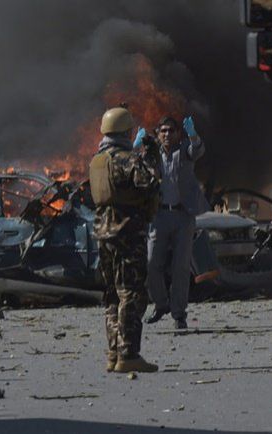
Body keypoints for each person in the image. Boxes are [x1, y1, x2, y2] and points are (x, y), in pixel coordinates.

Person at [88, 106, 161, 373]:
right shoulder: (127, 159)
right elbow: (151, 185)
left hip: (102, 233)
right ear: (125, 132)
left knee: (111, 295)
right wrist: (151, 157)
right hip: (128, 232)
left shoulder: (96, 161)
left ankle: (113, 353)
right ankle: (129, 354)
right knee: (131, 292)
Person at [143, 116, 209, 329]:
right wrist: (137, 148)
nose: (167, 134)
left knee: (181, 267)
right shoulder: (152, 155)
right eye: (163, 131)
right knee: (152, 263)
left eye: (171, 130)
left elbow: (198, 150)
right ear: (157, 133)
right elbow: (138, 167)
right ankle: (161, 304)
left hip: (183, 216)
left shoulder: (185, 152)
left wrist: (193, 134)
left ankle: (178, 314)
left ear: (178, 133)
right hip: (159, 216)